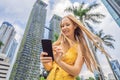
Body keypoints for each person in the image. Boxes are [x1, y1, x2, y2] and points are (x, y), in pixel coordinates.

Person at [40, 14, 110, 80]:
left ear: (75, 26)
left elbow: (76, 71)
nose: (64, 28)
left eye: (67, 25)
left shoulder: (80, 47)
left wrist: (59, 61)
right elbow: (50, 68)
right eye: (62, 26)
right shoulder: (56, 45)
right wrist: (45, 62)